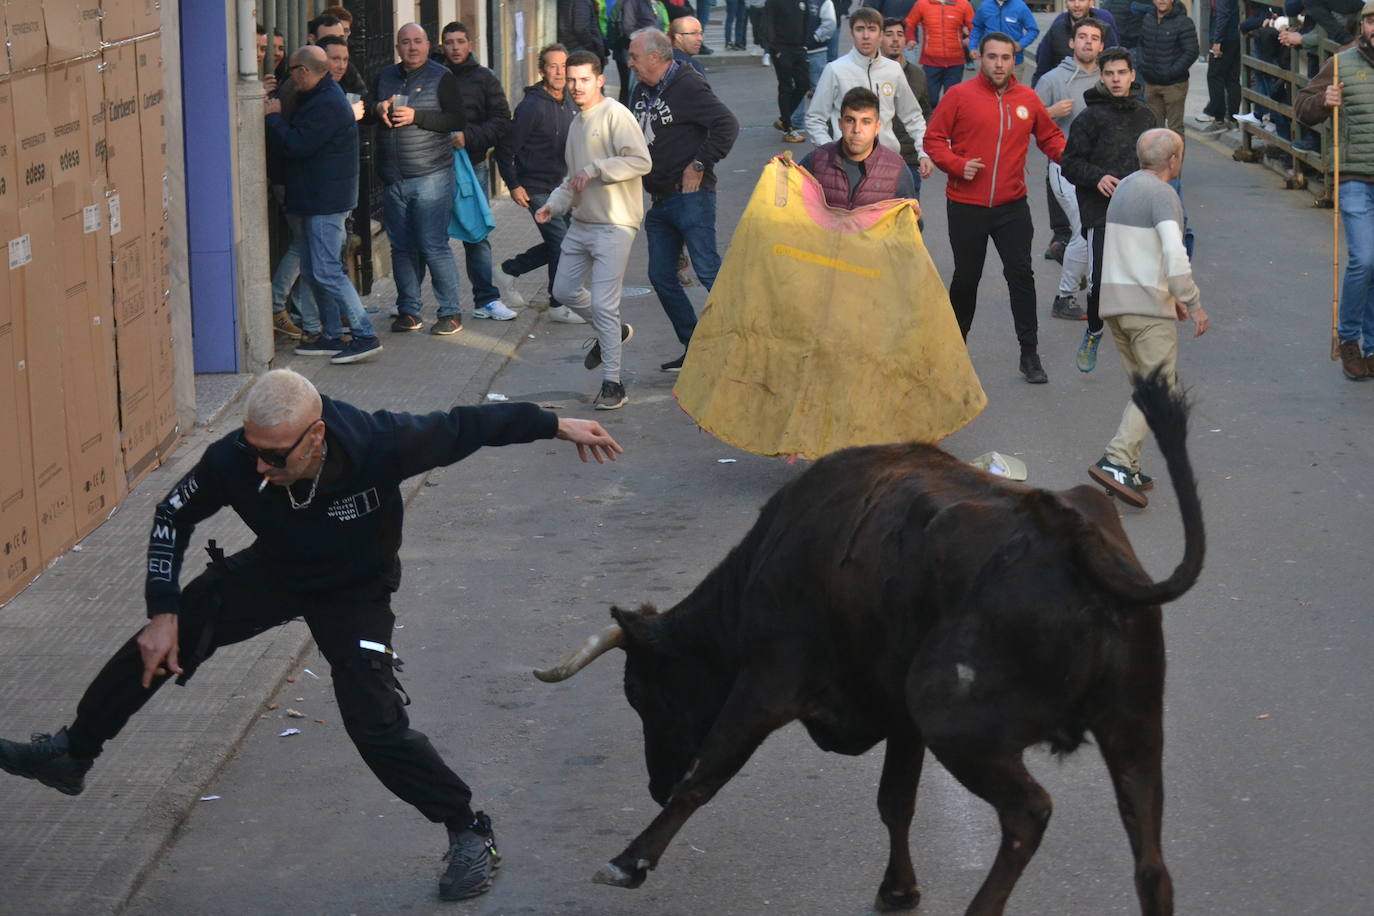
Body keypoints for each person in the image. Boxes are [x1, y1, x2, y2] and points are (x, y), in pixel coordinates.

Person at [0, 368, 623, 903]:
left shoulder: (381, 444)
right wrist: (162, 612)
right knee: (158, 641)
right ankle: (73, 753)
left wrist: (556, 424)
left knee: (373, 719)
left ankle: (466, 827)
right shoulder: (233, 461)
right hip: (274, 572)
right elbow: (171, 514)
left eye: (276, 454)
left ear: (316, 435)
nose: (263, 467)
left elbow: (468, 426)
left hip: (355, 591)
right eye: (254, 451)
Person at [924, 31, 1065, 384]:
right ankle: (954, 355)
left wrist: (1081, 161)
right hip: (966, 206)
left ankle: (1029, 354)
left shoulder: (1027, 99)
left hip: (1011, 207)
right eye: (992, 57)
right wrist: (956, 165)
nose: (999, 64)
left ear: (1014, 60)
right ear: (979, 59)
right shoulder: (958, 96)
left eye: (1005, 58)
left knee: (1021, 277)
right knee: (966, 280)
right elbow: (933, 139)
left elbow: (1049, 138)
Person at [1088, 128, 1206, 507]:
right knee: (1159, 391)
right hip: (1146, 308)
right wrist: (1192, 299)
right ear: (1174, 160)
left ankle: (1132, 467)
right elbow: (1174, 254)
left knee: (1145, 390)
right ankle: (1118, 460)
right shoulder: (1162, 195)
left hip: (1116, 305)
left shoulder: (1124, 188)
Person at [536, 51, 652, 410]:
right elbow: (573, 178)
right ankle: (611, 332)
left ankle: (613, 383)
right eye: (571, 80)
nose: (576, 87)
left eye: (584, 79)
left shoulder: (616, 114)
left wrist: (599, 167)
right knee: (563, 289)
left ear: (600, 79)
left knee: (604, 302)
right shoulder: (576, 123)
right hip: (581, 222)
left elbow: (641, 160)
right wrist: (553, 205)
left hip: (616, 224)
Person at [628, 28, 740, 371]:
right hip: (659, 201)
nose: (629, 63)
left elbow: (727, 124)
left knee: (707, 269)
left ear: (655, 57)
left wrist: (700, 164)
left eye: (634, 56)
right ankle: (694, 345)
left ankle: (744, 344)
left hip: (691, 197)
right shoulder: (639, 90)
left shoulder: (688, 85)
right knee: (662, 276)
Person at [266, 48, 382, 364]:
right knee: (318, 270)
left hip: (325, 201)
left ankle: (364, 334)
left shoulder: (326, 103)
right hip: (317, 197)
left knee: (327, 270)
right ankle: (331, 334)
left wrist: (274, 117)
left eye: (292, 71)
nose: (290, 76)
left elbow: (296, 144)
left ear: (305, 70)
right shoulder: (322, 96)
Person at [1060, 46, 1158, 372]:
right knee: (1100, 281)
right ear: (1101, 77)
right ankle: (1094, 331)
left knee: (1140, 280)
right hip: (1100, 211)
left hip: (1139, 211)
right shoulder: (1089, 118)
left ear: (1132, 75)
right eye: (1109, 74)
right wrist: (1097, 177)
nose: (1116, 80)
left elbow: (1158, 164)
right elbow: (1070, 163)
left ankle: (1139, 339)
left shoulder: (1147, 117)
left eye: (1121, 73)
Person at [373, 24, 469, 336]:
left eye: (417, 42)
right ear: (397, 47)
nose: (412, 48)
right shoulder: (386, 76)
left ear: (428, 45)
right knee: (400, 248)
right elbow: (368, 113)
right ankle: (409, 311)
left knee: (433, 245)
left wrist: (418, 117)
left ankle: (450, 311)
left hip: (431, 176)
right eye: (405, 42)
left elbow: (456, 120)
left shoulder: (442, 76)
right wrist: (377, 108)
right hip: (394, 179)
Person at [1295, 2, 1374, 380]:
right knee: (1365, 258)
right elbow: (1302, 106)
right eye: (1373, 21)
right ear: (1362, 25)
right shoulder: (1342, 63)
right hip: (1355, 177)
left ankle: (1373, 346)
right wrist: (1324, 103)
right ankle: (1348, 340)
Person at [495, 44, 585, 326]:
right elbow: (505, 149)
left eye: (563, 66)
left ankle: (507, 271)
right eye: (552, 66)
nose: (559, 72)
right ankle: (558, 304)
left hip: (565, 186)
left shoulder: (571, 100)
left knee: (566, 241)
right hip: (535, 186)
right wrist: (513, 185)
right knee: (563, 244)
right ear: (542, 70)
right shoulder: (531, 106)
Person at [439, 22, 518, 321]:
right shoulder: (434, 75)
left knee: (476, 235)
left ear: (470, 44)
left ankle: (486, 299)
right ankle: (410, 303)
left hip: (472, 167)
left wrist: (468, 137)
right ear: (442, 45)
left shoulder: (484, 78)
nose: (455, 47)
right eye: (449, 42)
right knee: (431, 238)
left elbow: (501, 120)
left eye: (460, 41)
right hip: (434, 168)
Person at [806, 5, 934, 188]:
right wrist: (831, 151)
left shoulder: (893, 70)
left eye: (872, 29)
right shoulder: (835, 70)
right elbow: (815, 118)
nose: (866, 36)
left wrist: (923, 152)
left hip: (887, 164)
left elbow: (913, 116)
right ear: (851, 34)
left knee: (900, 215)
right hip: (846, 168)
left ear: (880, 35)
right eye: (860, 29)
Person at [1036, 18, 1105, 321]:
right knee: (1084, 230)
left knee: (1097, 233)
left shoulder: (1109, 78)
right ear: (1072, 43)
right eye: (1082, 37)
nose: (1088, 42)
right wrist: (1050, 113)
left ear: (1101, 45)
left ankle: (1092, 286)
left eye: (1094, 38)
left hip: (1101, 171)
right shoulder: (1052, 80)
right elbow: (1028, 123)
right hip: (1065, 167)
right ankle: (1064, 297)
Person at [800, 86, 917, 208]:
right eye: (850, 120)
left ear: (877, 127)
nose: (857, 130)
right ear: (840, 124)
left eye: (866, 122)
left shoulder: (897, 170)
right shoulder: (815, 161)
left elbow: (910, 223)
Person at [880, 17, 932, 207]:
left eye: (900, 35)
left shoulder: (917, 75)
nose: (895, 39)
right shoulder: (868, 73)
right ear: (879, 39)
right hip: (877, 159)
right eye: (889, 34)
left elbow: (925, 113)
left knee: (911, 221)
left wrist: (924, 152)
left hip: (909, 159)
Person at [1137, 0, 1198, 134]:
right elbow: (1141, 43)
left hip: (1174, 85)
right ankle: (1157, 156)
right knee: (1153, 129)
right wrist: (1143, 66)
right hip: (1151, 83)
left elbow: (1191, 52)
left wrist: (1171, 72)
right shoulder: (1148, 18)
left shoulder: (1184, 22)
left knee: (1174, 130)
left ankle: (1176, 156)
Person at [762, 0, 819, 142]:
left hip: (799, 48)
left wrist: (804, 44)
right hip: (781, 49)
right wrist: (773, 48)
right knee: (786, 87)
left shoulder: (802, 2)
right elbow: (767, 23)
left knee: (804, 84)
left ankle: (783, 119)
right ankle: (788, 129)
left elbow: (806, 22)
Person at [902, 0, 976, 108]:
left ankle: (948, 124)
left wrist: (971, 40)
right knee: (930, 101)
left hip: (955, 63)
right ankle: (930, 123)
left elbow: (975, 26)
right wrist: (910, 39)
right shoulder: (922, 4)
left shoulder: (963, 4)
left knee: (952, 102)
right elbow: (909, 23)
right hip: (930, 62)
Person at [1031, 0, 1117, 85]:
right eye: (1071, 0)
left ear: (1091, 2)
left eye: (1082, 0)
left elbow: (1115, 65)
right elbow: (1042, 70)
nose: (1076, 4)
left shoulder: (1105, 30)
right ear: (1066, 3)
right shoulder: (1056, 29)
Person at [1195, 0, 1241, 132]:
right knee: (1232, 79)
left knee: (1215, 77)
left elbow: (1223, 14)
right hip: (1233, 35)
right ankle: (1232, 120)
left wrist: (1217, 41)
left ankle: (1219, 120)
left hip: (1224, 37)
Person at [969, 0, 1039, 83]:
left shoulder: (1020, 6)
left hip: (1014, 64)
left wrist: (1020, 44)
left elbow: (1033, 30)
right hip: (989, 63)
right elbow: (977, 27)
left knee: (1012, 94)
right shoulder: (985, 6)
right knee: (988, 94)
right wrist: (972, 46)